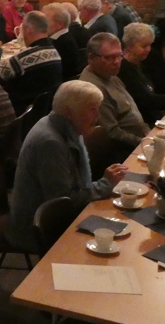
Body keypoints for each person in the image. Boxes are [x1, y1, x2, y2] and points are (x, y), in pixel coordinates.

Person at [7, 80, 127, 252]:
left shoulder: (67, 127)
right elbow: (64, 202)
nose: (97, 115)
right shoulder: (50, 142)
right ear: (69, 112)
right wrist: (105, 184)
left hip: (59, 215)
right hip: (38, 229)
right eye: (92, 109)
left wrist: (104, 184)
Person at [79, 33, 149, 160]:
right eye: (109, 58)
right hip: (125, 153)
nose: (117, 62)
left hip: (141, 140)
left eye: (119, 56)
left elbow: (131, 110)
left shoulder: (110, 75)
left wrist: (149, 134)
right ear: (91, 58)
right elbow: (111, 133)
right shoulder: (93, 89)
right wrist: (144, 142)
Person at [0, 11, 62, 113]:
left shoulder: (25, 57)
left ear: (27, 29)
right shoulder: (55, 52)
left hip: (19, 111)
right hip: (44, 109)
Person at [44, 2, 82, 80]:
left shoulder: (61, 43)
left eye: (46, 21)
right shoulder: (63, 37)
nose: (43, 25)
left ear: (60, 25)